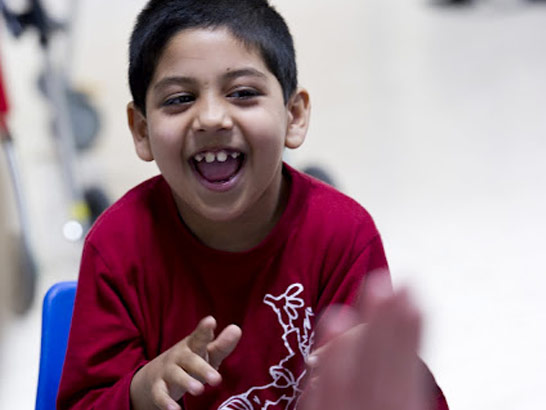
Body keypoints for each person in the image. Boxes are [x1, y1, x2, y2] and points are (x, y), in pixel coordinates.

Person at [57, 1, 448, 409]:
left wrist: (384, 384)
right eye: (179, 99)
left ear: (293, 116)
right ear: (141, 131)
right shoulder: (117, 246)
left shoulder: (342, 235)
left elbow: (397, 388)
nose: (210, 117)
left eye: (243, 93)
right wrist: (141, 391)